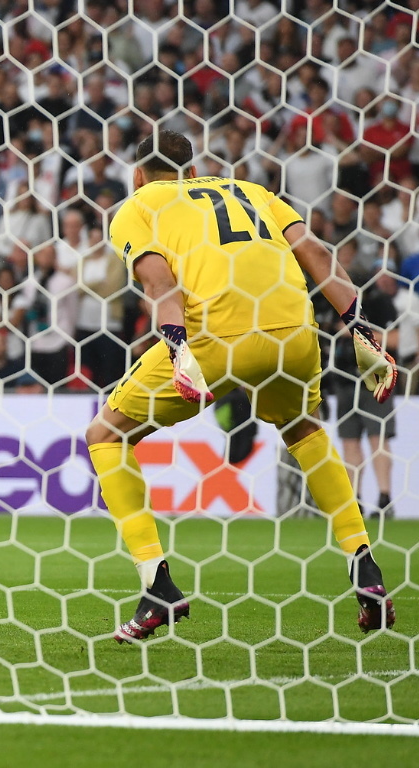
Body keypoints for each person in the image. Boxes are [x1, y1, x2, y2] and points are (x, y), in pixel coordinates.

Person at [85, 131, 397, 642]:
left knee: (106, 435)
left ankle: (157, 587)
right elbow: (315, 252)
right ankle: (364, 565)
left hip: (213, 339)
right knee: (303, 430)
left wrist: (178, 347)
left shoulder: (137, 206)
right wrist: (358, 327)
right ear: (192, 172)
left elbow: (161, 285)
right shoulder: (252, 191)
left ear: (137, 174)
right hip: (295, 335)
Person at [332, 266, 399, 518]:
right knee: (349, 441)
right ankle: (354, 500)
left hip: (375, 379)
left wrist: (360, 331)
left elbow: (395, 339)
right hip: (344, 380)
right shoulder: (333, 300)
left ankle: (385, 497)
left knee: (377, 439)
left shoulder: (381, 304)